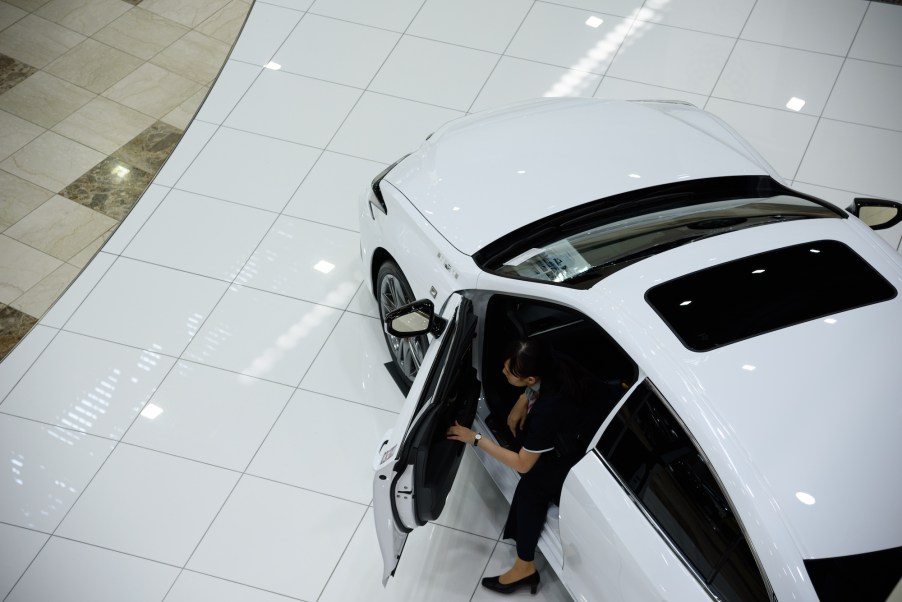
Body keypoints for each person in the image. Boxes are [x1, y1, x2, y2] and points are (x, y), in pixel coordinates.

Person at [447, 339, 585, 595]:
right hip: (583, 424)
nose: (503, 372)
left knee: (533, 485)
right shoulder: (555, 359)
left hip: (584, 451)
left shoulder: (547, 412)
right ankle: (524, 561)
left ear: (531, 378)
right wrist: (524, 399)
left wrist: (476, 439)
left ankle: (525, 567)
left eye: (510, 372)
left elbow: (522, 464)